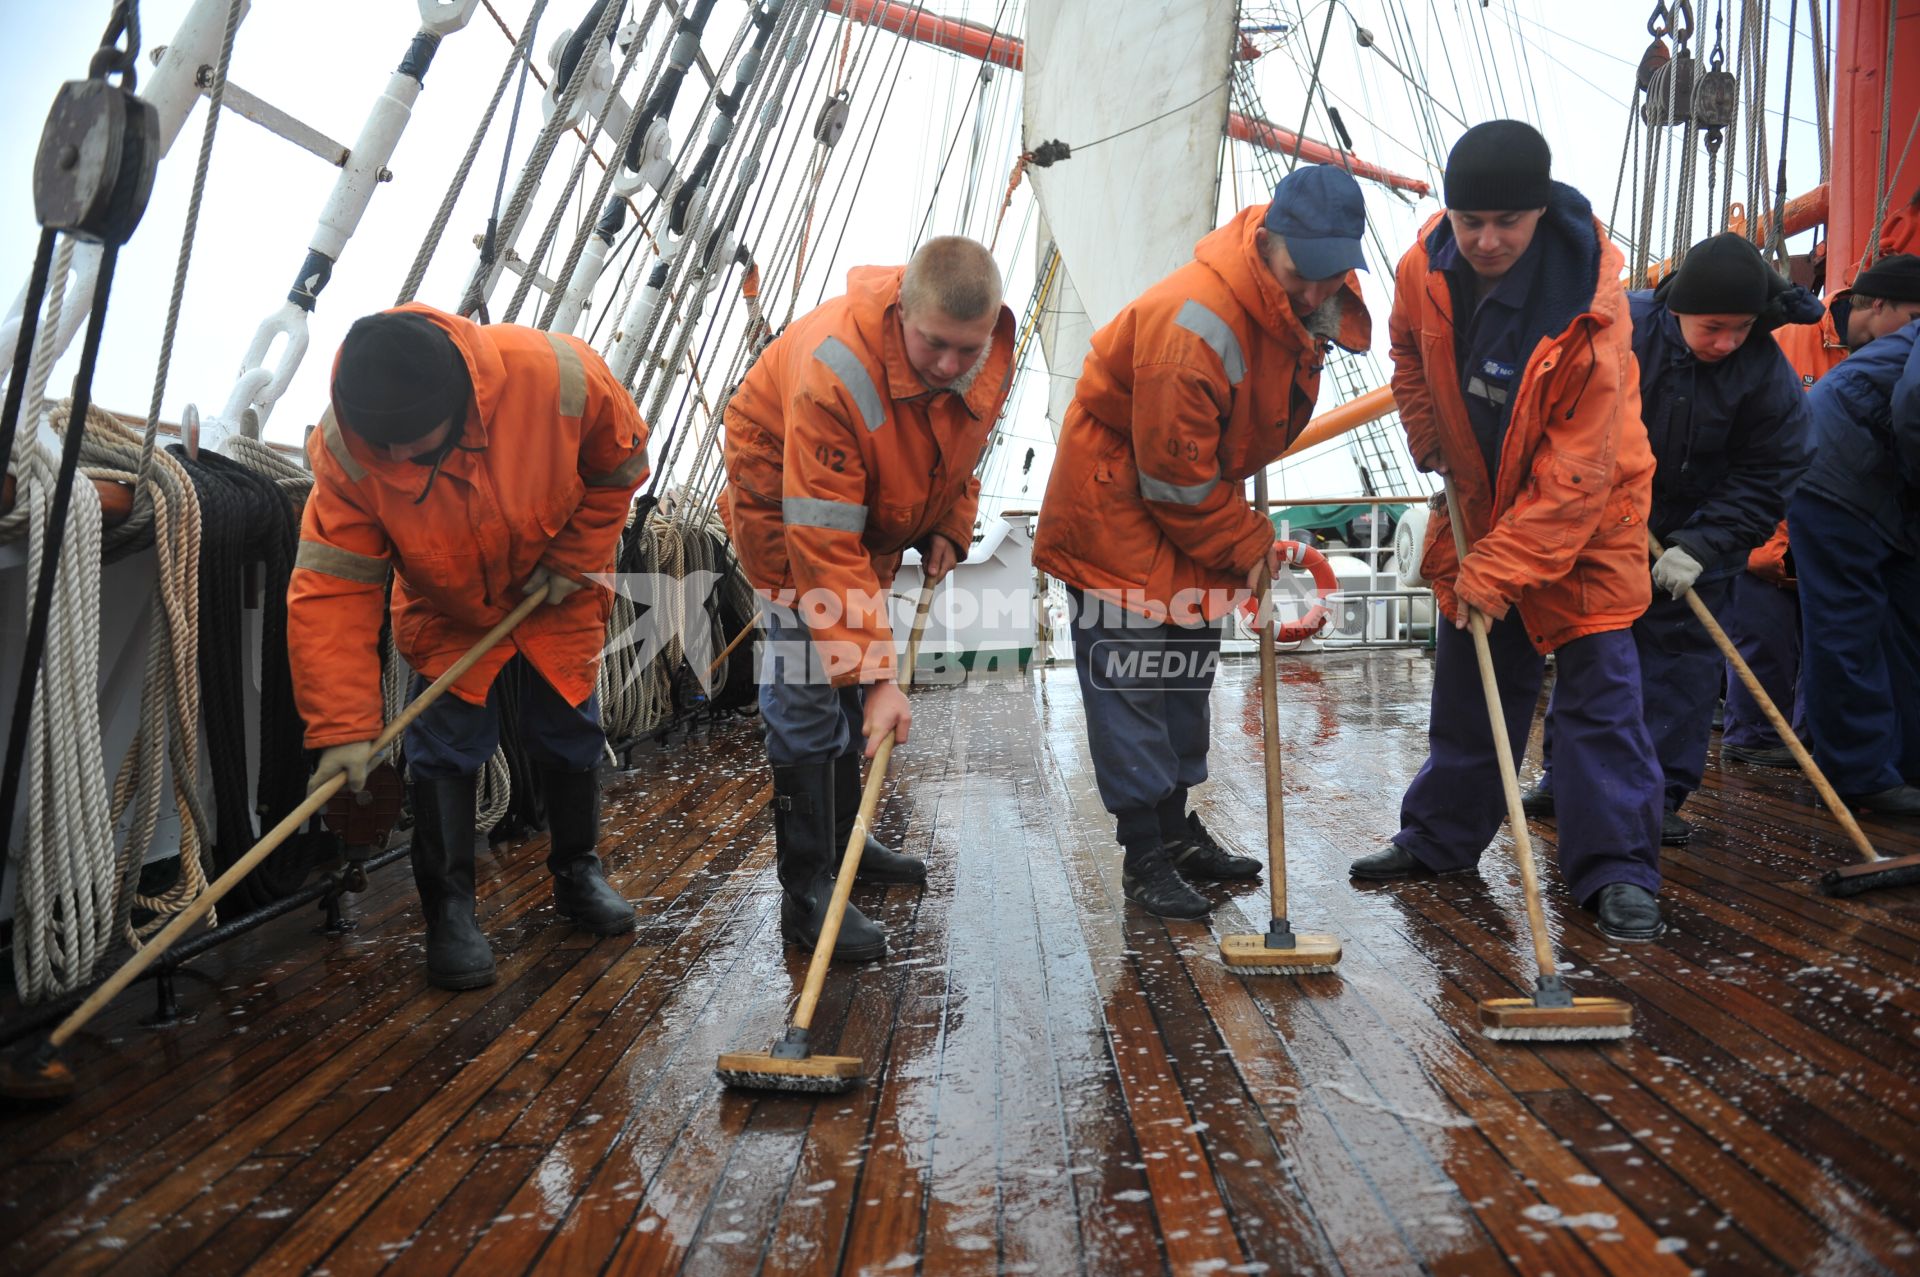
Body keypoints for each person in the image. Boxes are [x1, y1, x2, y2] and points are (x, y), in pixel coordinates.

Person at [1347, 120, 1667, 942]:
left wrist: (1492, 573)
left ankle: (1619, 871)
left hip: (1588, 517)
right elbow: (1409, 352)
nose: (1486, 240)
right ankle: (1441, 839)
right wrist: (1425, 431)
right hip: (1479, 502)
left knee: (1599, 698)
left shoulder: (1591, 322)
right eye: (1468, 221)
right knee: (1471, 681)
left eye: (1507, 223)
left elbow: (1572, 483)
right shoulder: (1425, 265)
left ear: (1540, 212)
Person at [1032, 164, 1371, 919]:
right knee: (1131, 688)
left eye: (1331, 274)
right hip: (1117, 513)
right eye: (1301, 273)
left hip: (1189, 514)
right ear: (1270, 242)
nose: (1316, 293)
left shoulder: (1295, 306)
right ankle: (1142, 855)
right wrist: (1248, 539)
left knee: (1184, 679)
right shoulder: (1194, 327)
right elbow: (1176, 480)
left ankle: (1176, 830)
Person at [290, 304, 651, 990]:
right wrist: (341, 731)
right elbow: (334, 587)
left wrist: (573, 557)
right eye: (382, 446)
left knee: (571, 729)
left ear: (461, 410)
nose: (394, 460)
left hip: (557, 585)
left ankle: (578, 874)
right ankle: (449, 911)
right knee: (444, 749)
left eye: (412, 446)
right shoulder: (345, 445)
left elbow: (621, 464)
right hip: (446, 601)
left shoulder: (562, 377)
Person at [721, 236, 1014, 961]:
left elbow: (962, 448)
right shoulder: (835, 372)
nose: (951, 366)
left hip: (875, 500)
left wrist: (950, 520)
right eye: (935, 345)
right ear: (902, 312)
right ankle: (810, 891)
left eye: (965, 351)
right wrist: (883, 676)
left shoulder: (985, 355)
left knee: (849, 688)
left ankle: (850, 846)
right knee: (810, 680)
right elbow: (822, 543)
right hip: (788, 508)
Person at [1523, 232, 1819, 843]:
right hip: (1604, 529)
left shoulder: (1763, 370)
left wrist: (1704, 546)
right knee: (1592, 657)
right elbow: (1552, 414)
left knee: (1679, 673)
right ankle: (1562, 777)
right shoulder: (1618, 329)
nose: (1728, 342)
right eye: (1714, 327)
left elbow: (1772, 471)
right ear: (1677, 307)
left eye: (1741, 328)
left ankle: (1655, 800)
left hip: (1698, 538)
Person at [1786, 252, 1920, 815]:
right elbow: (1915, 406)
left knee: (1906, 627)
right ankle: (1860, 775)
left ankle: (1905, 767)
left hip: (1880, 486)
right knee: (1848, 624)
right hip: (1837, 479)